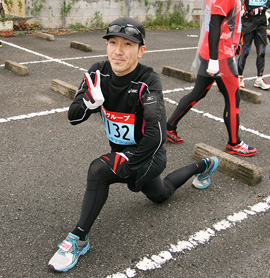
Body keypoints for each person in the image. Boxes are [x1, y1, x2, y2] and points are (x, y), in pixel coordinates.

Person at [48, 17, 219, 272]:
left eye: (128, 44)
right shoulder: (97, 72)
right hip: (124, 156)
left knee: (102, 171)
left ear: (141, 50)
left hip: (149, 157)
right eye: (113, 42)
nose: (118, 50)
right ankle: (203, 165)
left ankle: (78, 238)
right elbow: (73, 117)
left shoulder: (148, 81)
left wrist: (131, 162)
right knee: (159, 194)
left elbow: (157, 134)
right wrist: (88, 105)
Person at [166, 0, 257, 157]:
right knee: (233, 99)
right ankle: (234, 143)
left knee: (198, 93)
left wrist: (236, 43)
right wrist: (215, 59)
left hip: (213, 52)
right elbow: (215, 23)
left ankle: (169, 127)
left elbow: (229, 21)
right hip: (220, 55)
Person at [238, 0, 270, 89]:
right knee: (245, 51)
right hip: (248, 24)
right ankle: (239, 77)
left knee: (261, 52)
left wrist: (263, 7)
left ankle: (259, 78)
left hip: (261, 24)